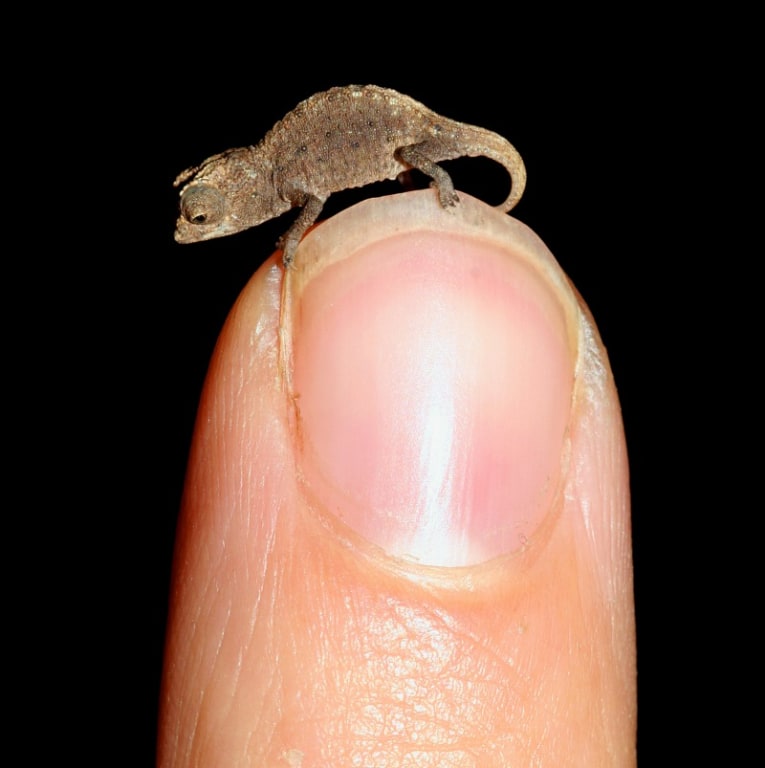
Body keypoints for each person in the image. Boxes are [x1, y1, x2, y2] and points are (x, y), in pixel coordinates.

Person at [157, 192, 636, 766]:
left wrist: (297, 238)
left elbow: (309, 199)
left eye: (203, 216)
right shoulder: (274, 175)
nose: (192, 230)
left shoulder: (284, 180)